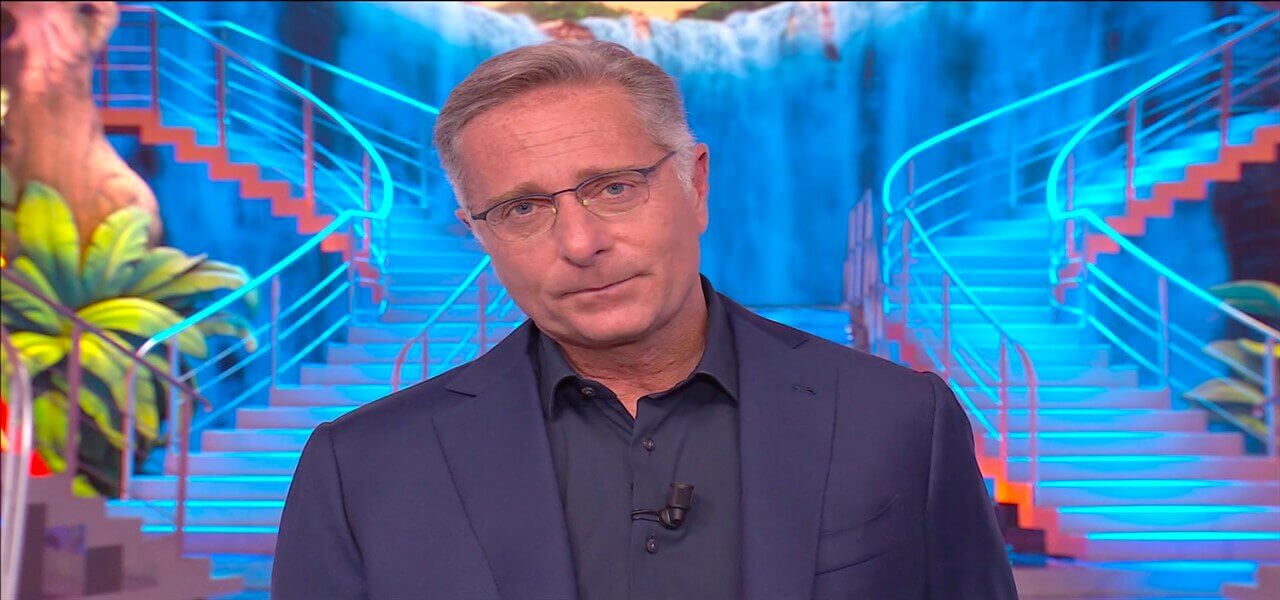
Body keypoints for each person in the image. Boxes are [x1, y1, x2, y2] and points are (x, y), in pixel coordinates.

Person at [272, 40, 1018, 600]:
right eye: (523, 208)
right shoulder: (361, 468)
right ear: (480, 235)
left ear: (696, 184)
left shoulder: (898, 419)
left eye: (614, 187)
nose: (580, 243)